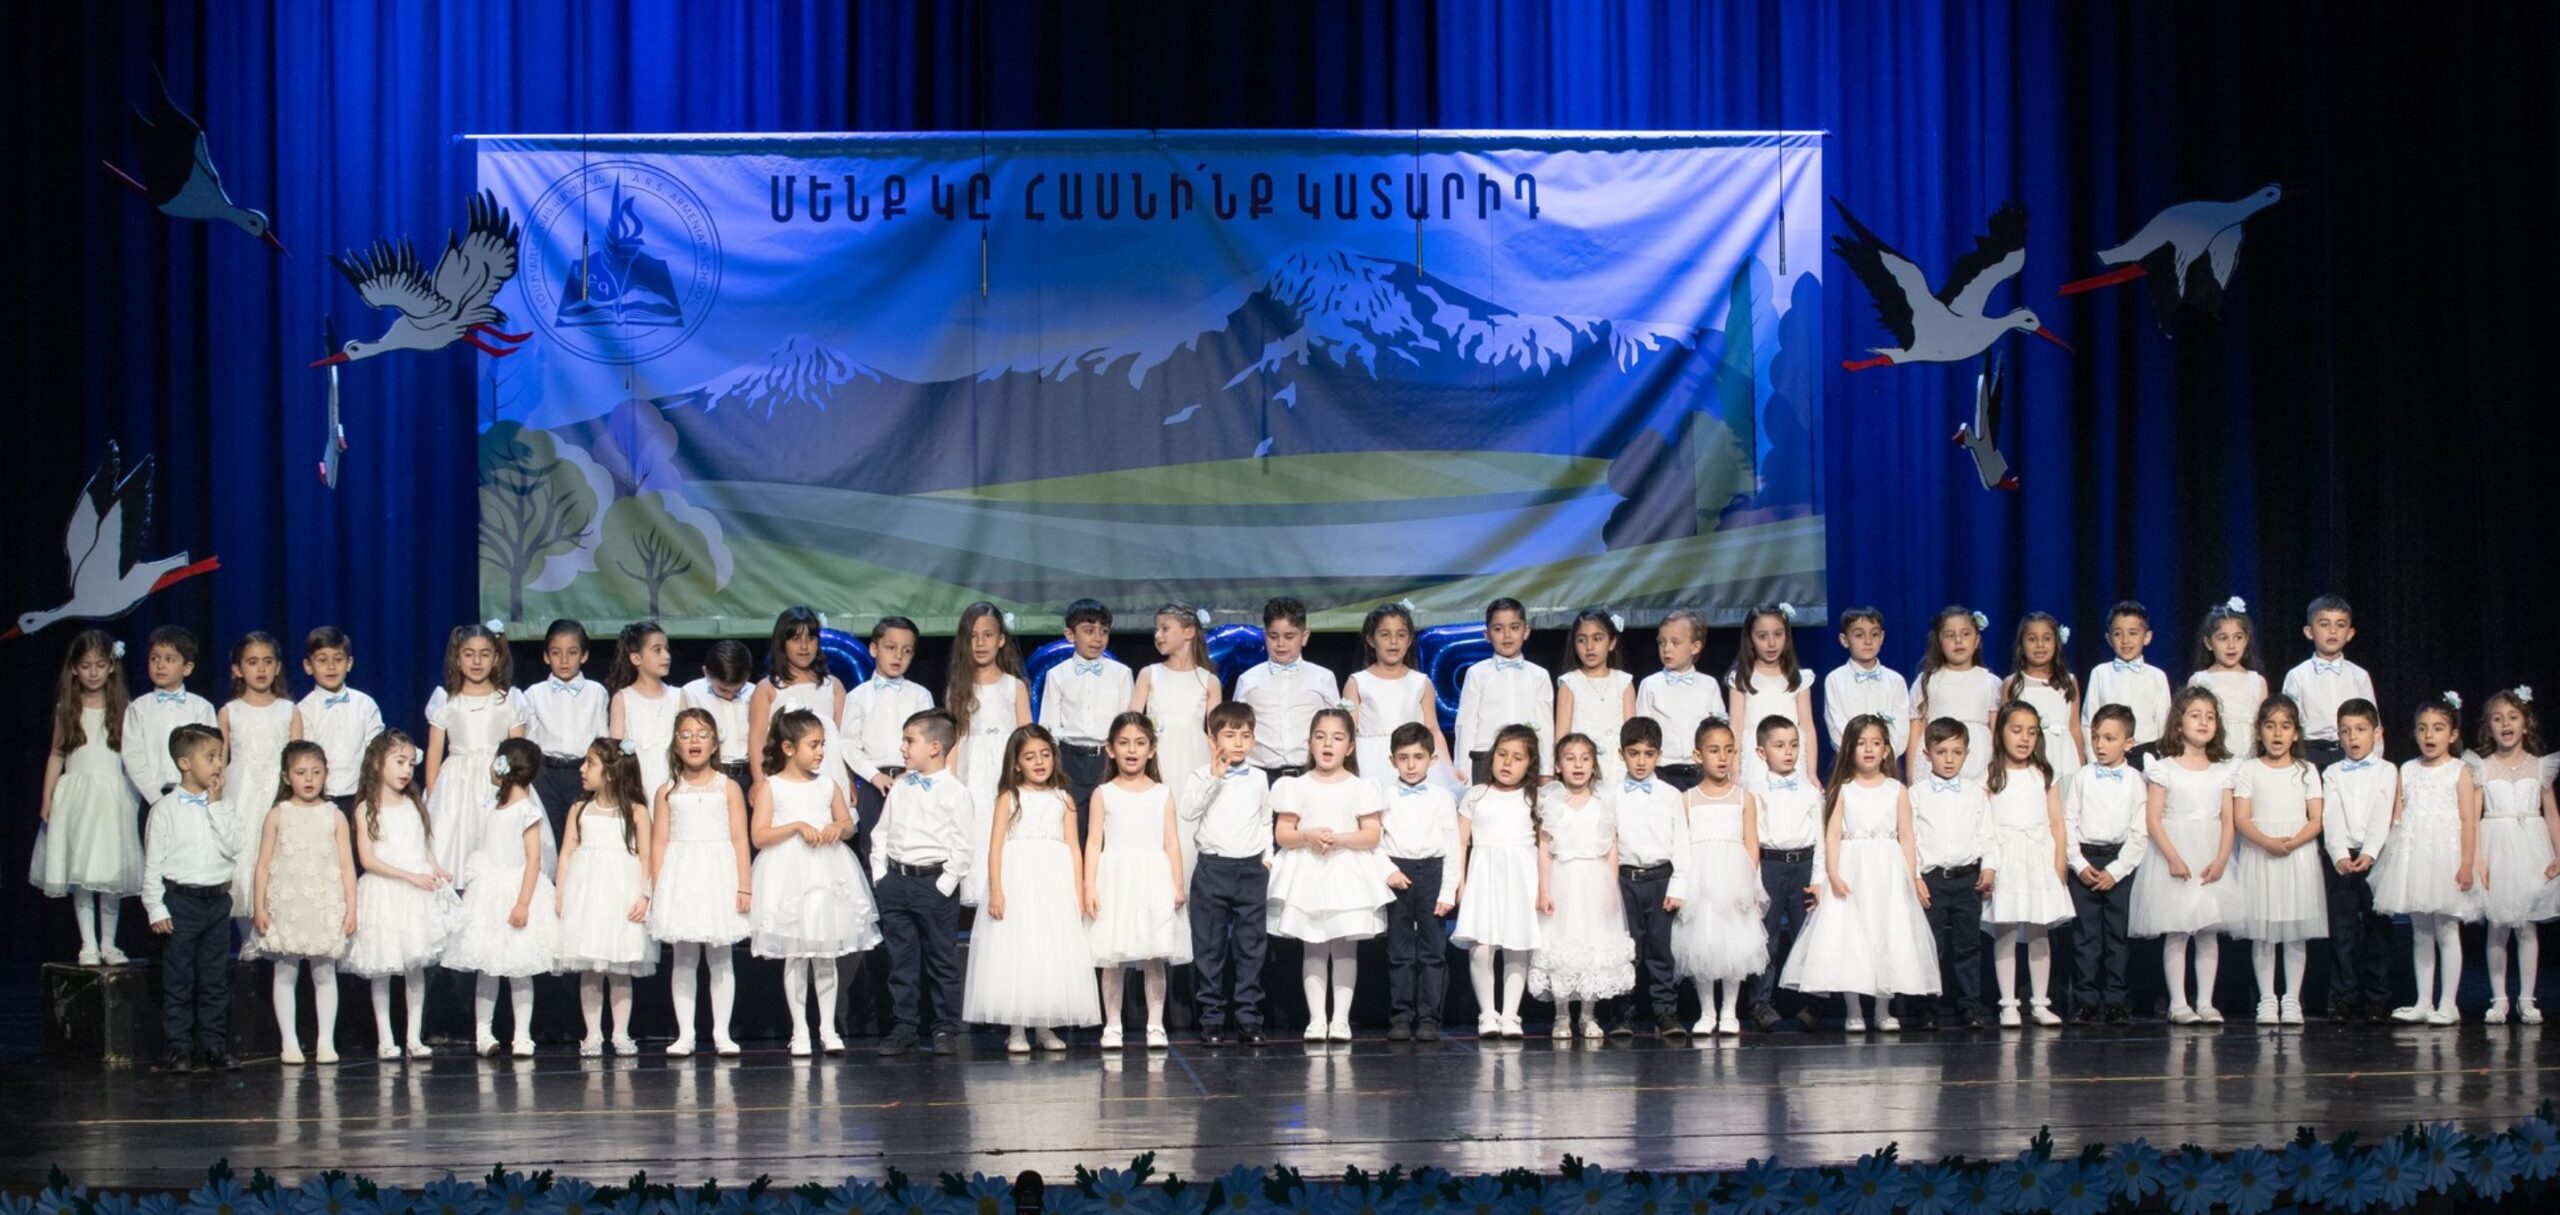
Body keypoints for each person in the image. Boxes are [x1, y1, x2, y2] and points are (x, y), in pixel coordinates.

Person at [1777, 713, 1940, 1032]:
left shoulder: (1897, 790)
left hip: (1888, 871)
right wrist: (1833, 874)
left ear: (1886, 750)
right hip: (1852, 871)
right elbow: (1832, 835)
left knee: (1887, 936)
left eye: (1876, 743)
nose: (1869, 749)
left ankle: (1883, 1010)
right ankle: (1853, 1010)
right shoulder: (1843, 789)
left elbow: (1907, 836)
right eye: (1862, 743)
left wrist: (1912, 876)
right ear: (1849, 748)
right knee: (1852, 939)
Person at [750, 708, 880, 1056]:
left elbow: (848, 824)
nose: (821, 751)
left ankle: (827, 1028)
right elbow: (759, 835)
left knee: (825, 954)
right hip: (789, 876)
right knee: (796, 954)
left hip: (826, 873)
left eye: (823, 744)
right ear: (789, 748)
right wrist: (795, 826)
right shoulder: (772, 786)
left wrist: (839, 827)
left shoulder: (827, 784)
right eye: (814, 745)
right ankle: (800, 1031)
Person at [969, 723, 1103, 1052]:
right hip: (1018, 881)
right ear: (1017, 764)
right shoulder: (1009, 797)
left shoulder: (1064, 799)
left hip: (1054, 883)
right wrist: (996, 889)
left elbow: (1074, 848)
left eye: (1044, 754)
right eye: (1030, 757)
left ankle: (1045, 1027)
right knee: (1019, 948)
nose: (1039, 762)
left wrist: (1079, 891)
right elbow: (995, 846)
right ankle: (1017, 1029)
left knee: (1049, 951)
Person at [1270, 707, 1394, 1042]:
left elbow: (1371, 834)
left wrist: (1338, 839)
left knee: (1343, 947)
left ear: (1350, 746)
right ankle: (1316, 1019)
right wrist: (1307, 836)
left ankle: (1340, 1019)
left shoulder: (1361, 787)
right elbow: (1283, 834)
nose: (1328, 744)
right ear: (1309, 743)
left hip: (1346, 873)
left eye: (1337, 738)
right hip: (1308, 872)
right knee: (1313, 946)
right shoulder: (1295, 785)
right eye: (1321, 737)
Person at [2130, 688, 2241, 1025]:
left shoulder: (2223, 770)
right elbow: (2153, 818)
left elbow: (2228, 820)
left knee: (2207, 930)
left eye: (2210, 716)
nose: (2203, 722)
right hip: (2175, 854)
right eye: (2195, 715)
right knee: (2177, 930)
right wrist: (2173, 858)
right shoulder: (2163, 768)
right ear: (2179, 723)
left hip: (2210, 853)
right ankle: (2178, 1003)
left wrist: (2222, 859)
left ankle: (2205, 1002)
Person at [30, 630, 141, 965]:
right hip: (77, 798)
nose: (93, 672)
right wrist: (47, 797)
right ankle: (88, 944)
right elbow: (56, 755)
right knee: (81, 872)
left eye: (100, 665)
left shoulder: (125, 709)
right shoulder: (67, 707)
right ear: (75, 668)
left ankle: (109, 943)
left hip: (112, 798)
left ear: (112, 667)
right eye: (86, 665)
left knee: (110, 872)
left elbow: (134, 758)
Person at [870, 709, 977, 1057]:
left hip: (933, 883)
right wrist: (881, 875)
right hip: (897, 882)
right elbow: (881, 832)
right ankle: (904, 1027)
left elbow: (963, 845)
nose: (902, 748)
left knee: (941, 959)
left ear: (934, 747)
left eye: (909, 741)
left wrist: (945, 884)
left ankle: (945, 1027)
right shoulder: (902, 786)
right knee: (901, 960)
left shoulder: (954, 791)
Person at [441, 737, 555, 1058]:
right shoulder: (493, 806)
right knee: (487, 968)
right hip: (488, 896)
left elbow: (533, 859)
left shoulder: (526, 810)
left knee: (520, 969)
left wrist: (523, 903)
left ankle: (522, 1035)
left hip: (516, 891)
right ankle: (483, 1033)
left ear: (505, 766)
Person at [2373, 695, 2483, 1025]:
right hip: (2415, 857)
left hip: (2446, 858)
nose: (2429, 735)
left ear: (2452, 733)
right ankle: (2423, 1001)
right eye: (2422, 729)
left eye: (2437, 728)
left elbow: (2468, 820)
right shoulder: (2407, 769)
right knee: (2420, 932)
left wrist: (2467, 863)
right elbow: (2398, 817)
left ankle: (2448, 1003)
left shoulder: (2459, 770)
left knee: (2447, 931)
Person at [649, 709, 753, 1057]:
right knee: (684, 956)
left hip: (717, 874)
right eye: (686, 734)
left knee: (721, 956)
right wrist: (658, 888)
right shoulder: (667, 791)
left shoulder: (729, 787)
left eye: (702, 733)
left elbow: (739, 838)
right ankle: (686, 1035)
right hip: (681, 875)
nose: (694, 740)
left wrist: (744, 885)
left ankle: (722, 1033)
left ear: (714, 744)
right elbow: (659, 842)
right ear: (676, 743)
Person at [343, 731, 451, 1061]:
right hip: (384, 892)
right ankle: (386, 1039)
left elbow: (424, 847)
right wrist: (409, 876)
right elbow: (368, 860)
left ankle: (413, 1037)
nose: (406, 770)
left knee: (415, 966)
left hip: (415, 895)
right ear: (378, 763)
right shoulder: (366, 808)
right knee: (382, 966)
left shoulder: (414, 805)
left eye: (411, 764)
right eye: (400, 762)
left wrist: (436, 870)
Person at [1082, 715, 1187, 1049]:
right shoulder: (1103, 793)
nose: (1132, 750)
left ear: (1151, 749)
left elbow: (1171, 842)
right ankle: (1113, 1024)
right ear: (1110, 749)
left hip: (1153, 879)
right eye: (1124, 743)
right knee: (1112, 957)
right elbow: (1093, 842)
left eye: (1140, 743)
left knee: (1153, 953)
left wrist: (1178, 883)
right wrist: (1088, 886)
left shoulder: (1162, 793)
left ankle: (1155, 1024)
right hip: (1114, 879)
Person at [142, 723, 241, 1072]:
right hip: (180, 903)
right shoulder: (165, 809)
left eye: (220, 756)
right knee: (179, 979)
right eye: (210, 757)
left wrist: (216, 806)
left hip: (217, 901)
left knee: (214, 979)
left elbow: (234, 846)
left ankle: (213, 1044)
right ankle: (179, 1048)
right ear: (185, 763)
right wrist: (155, 907)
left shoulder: (224, 805)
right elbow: (153, 864)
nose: (218, 764)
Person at [250, 740, 356, 1064]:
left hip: (324, 903)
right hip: (287, 903)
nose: (309, 779)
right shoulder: (278, 814)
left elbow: (347, 865)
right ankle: (290, 1042)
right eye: (300, 772)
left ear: (326, 774)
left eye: (316, 772)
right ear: (286, 776)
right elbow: (263, 864)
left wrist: (351, 908)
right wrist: (259, 906)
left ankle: (325, 1042)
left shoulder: (334, 815)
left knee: (324, 972)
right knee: (285, 972)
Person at [556, 738, 657, 1056]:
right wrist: (560, 893)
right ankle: (592, 1034)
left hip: (621, 897)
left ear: (611, 772)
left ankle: (621, 1034)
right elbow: (567, 852)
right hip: (587, 897)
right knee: (590, 968)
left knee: (619, 968)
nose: (582, 769)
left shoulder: (636, 811)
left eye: (590, 763)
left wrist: (645, 895)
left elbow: (646, 857)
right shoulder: (579, 809)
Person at [2230, 696, 2327, 1026]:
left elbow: (2316, 819)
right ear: (2259, 731)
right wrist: (2267, 842)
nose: (2277, 733)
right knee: (2264, 930)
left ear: (2296, 733)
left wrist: (2292, 843)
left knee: (2295, 930)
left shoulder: (2307, 770)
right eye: (2270, 726)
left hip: (2297, 855)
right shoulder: (2248, 769)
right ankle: (2267, 999)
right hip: (2261, 853)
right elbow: (2241, 818)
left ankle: (2292, 999)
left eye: (2285, 726)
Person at [1529, 733, 1633, 1040]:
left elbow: (1611, 848)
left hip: (1595, 880)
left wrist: (1611, 890)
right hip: (1563, 879)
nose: (1578, 765)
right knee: (1562, 946)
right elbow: (1544, 849)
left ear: (1594, 765)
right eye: (1570, 759)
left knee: (1592, 947)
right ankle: (1561, 1016)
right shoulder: (1551, 801)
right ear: (1558, 766)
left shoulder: (1603, 801)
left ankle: (1588, 1015)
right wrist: (1544, 890)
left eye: (1585, 759)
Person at [1184, 701, 1274, 1046]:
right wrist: (1214, 777)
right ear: (1212, 738)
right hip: (1213, 868)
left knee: (1251, 947)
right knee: (1210, 947)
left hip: (1250, 869)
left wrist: (1267, 858)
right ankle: (1211, 1018)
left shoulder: (1259, 777)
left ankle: (1249, 1017)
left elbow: (1265, 819)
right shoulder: (1200, 775)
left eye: (1245, 736)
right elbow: (1189, 811)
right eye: (1230, 735)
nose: (1238, 743)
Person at [2472, 687, 2560, 1025]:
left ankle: (2527, 999)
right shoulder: (2481, 767)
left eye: (2512, 717)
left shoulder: (2540, 767)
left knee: (2526, 926)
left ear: (2526, 723)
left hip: (2530, 849)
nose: (2505, 724)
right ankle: (2499, 999)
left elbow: (2552, 814)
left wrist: (2558, 853)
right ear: (2489, 727)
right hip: (2495, 846)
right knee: (2497, 926)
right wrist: (2478, 859)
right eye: (2497, 719)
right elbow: (2474, 817)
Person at [1674, 719, 1767, 1036]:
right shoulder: (1687, 799)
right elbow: (1682, 845)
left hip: (1733, 880)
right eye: (1714, 750)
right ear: (1698, 755)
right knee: (1703, 944)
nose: (1723, 757)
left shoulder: (1744, 798)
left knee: (1734, 945)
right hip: (1699, 882)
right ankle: (1707, 1011)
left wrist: (1748, 883)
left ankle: (1729, 1010)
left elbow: (1751, 844)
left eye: (1729, 750)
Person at [1981, 702, 2071, 1027]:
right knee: (2005, 929)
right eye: (2016, 730)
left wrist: (2059, 863)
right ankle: (2008, 1003)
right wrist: (1989, 865)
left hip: (2038, 857)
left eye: (2031, 732)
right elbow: (1985, 826)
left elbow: (2057, 822)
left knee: (2038, 929)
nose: (2024, 738)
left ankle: (2040, 1002)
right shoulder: (1989, 775)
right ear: (2001, 733)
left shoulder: (2044, 774)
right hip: (2006, 858)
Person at [1452, 724, 1545, 1037]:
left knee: (1517, 946)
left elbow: (1544, 846)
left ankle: (1510, 1015)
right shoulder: (1476, 795)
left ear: (1529, 764)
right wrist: (1460, 882)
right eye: (1502, 754)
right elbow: (1460, 842)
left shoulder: (1534, 798)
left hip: (1521, 878)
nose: (1507, 763)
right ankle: (1488, 1014)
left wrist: (1543, 888)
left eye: (1517, 758)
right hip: (1483, 876)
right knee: (1480, 948)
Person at [422, 622, 528, 881]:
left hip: (497, 782)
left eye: (485, 654)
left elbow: (519, 754)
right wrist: (434, 799)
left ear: (496, 658)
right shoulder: (446, 700)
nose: (477, 661)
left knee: (497, 847)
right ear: (457, 659)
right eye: (469, 654)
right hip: (454, 786)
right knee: (451, 844)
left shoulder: (510, 700)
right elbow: (434, 752)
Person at [2063, 706, 2149, 1023]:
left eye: (2109, 738)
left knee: (2117, 937)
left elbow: (2140, 832)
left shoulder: (2136, 781)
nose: (2100, 745)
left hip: (2119, 864)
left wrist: (2116, 871)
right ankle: (2085, 1000)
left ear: (2129, 743)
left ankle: (2116, 1000)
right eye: (2096, 737)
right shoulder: (2082, 777)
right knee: (2085, 937)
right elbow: (2068, 822)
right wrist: (2077, 863)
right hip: (2085, 862)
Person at [1908, 718, 1993, 1029]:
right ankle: (1927, 1007)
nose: (1949, 759)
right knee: (1931, 945)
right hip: (1932, 880)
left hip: (1967, 879)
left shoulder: (1975, 792)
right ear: (1927, 753)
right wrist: (1916, 876)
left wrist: (1989, 866)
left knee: (1968, 945)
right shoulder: (1916, 794)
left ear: (1966, 754)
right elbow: (1911, 840)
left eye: (1956, 752)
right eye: (1941, 752)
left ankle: (1969, 1005)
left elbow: (1987, 833)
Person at [218, 631, 301, 948]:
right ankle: (248, 938)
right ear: (237, 669)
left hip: (278, 792)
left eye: (268, 662)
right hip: (242, 793)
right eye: (252, 662)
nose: (261, 669)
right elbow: (219, 760)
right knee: (245, 857)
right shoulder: (230, 711)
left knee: (277, 857)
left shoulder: (288, 710)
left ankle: (275, 933)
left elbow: (298, 756)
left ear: (278, 667)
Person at [2318, 698, 2398, 1022]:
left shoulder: (2387, 770)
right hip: (2343, 858)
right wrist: (2339, 854)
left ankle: (2378, 998)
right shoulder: (2332, 772)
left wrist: (2370, 852)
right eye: (2345, 731)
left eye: (2361, 729)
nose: (2353, 737)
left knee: (2378, 930)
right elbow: (2331, 815)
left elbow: (2383, 811)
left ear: (2377, 733)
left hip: (2376, 856)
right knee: (2343, 931)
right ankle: (2343, 997)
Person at [1378, 722, 1458, 1041]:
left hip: (1432, 872)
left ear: (1432, 760)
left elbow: (1452, 845)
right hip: (1397, 872)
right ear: (1392, 761)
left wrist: (1448, 890)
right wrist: (1388, 871)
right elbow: (1375, 842)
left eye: (1418, 757)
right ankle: (1400, 1016)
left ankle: (1428, 1018)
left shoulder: (1442, 798)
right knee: (1398, 951)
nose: (1411, 765)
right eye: (1403, 758)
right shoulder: (1384, 797)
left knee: (1432, 951)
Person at [943, 602, 1027, 906]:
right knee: (976, 831)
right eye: (973, 636)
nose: (980, 643)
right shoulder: (958, 688)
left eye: (988, 635)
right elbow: (954, 742)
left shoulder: (1014, 686)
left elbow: (1026, 739)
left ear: (1001, 639)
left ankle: (1006, 892)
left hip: (1005, 772)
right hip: (972, 776)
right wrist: (949, 784)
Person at [1745, 717, 1826, 1031]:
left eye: (1794, 745)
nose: (1789, 752)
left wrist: (1817, 879)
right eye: (1779, 746)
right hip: (1770, 865)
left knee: (1808, 935)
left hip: (1803, 865)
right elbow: (1751, 839)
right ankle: (1761, 1002)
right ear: (1761, 752)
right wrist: (1754, 882)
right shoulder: (1754, 792)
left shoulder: (1810, 791)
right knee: (1766, 937)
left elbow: (1820, 838)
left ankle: (1812, 1003)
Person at [1611, 717, 1690, 1037]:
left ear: (1659, 755)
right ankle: (1622, 1013)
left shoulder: (1671, 795)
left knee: (1661, 950)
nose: (1641, 761)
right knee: (1626, 950)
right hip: (1625, 880)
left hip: (1661, 880)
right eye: (1634, 753)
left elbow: (1681, 842)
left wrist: (1679, 885)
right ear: (1621, 754)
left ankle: (1665, 1012)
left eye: (1648, 754)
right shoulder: (1611, 794)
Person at [1133, 603, 1225, 872]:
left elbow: (1216, 734)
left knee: (1189, 825)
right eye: (1156, 630)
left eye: (1165, 628)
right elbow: (1131, 724)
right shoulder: (1149, 674)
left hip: (1194, 763)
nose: (1158, 635)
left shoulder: (1208, 681)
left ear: (1188, 632)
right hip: (1158, 761)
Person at [839, 618, 933, 857]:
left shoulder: (920, 695)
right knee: (873, 850)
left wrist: (909, 773)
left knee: (914, 848)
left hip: (913, 779)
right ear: (874, 649)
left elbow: (929, 740)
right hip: (874, 785)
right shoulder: (858, 696)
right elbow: (848, 744)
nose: (898, 656)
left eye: (907, 651)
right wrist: (874, 776)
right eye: (891, 647)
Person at [1039, 598, 1133, 818]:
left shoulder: (1121, 674)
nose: (1098, 638)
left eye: (1104, 631)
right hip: (1070, 759)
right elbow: (1048, 726)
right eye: (1089, 631)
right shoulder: (1057, 675)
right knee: (1073, 821)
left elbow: (1128, 724)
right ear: (1070, 634)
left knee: (1109, 821)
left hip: (1108, 759)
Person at [749, 606, 852, 807]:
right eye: (795, 639)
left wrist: (847, 779)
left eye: (810, 638)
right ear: (782, 643)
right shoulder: (767, 688)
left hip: (829, 776)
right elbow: (757, 739)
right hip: (784, 778)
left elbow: (842, 739)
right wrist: (759, 781)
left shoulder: (834, 686)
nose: (804, 646)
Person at [1345, 602, 1448, 792]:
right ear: (1371, 639)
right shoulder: (1358, 682)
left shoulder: (1421, 682)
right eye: (1385, 635)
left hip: (1411, 756)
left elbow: (1433, 730)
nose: (1393, 641)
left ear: (1409, 641)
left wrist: (1449, 768)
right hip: (1369, 762)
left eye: (1401, 635)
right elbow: (1347, 731)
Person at [1235, 597, 1337, 784]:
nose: (1280, 644)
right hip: (1260, 776)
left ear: (1304, 636)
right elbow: (1236, 728)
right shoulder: (1248, 679)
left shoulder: (1323, 677)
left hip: (1310, 775)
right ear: (1265, 635)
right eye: (1273, 636)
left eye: (1289, 636)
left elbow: (1336, 728)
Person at [522, 620, 608, 835]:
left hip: (583, 772)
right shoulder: (534, 693)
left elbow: (602, 736)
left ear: (584, 655)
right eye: (556, 653)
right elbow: (530, 739)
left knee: (582, 831)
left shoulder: (596, 692)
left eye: (572, 652)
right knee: (549, 833)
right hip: (545, 774)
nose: (564, 660)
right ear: (546, 656)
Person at [122, 626, 216, 802]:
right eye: (154, 658)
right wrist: (155, 798)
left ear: (187, 668)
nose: (160, 665)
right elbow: (133, 756)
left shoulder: (201, 708)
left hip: (192, 796)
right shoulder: (139, 708)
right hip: (150, 796)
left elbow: (208, 752)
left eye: (169, 659)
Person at [296, 627, 384, 816]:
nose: (331, 666)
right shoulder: (303, 710)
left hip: (360, 798)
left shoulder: (365, 705)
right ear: (308, 666)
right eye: (322, 660)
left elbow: (376, 752)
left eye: (338, 659)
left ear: (349, 663)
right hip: (318, 799)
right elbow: (304, 757)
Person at [1908, 607, 2001, 783]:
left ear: (1976, 640)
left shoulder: (1990, 682)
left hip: (1979, 765)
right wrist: (1911, 774)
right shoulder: (1928, 680)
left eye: (1965, 634)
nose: (1958, 640)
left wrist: (1998, 768)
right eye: (1950, 635)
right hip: (1937, 759)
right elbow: (1917, 728)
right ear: (1940, 642)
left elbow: (1997, 731)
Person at [2283, 594, 2375, 771]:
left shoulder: (2359, 675)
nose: (2333, 631)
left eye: (2340, 625)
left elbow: (2372, 721)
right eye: (2324, 624)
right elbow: (2289, 722)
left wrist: (2373, 760)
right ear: (2309, 632)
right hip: (2310, 755)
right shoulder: (2297, 675)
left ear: (2349, 633)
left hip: (2350, 753)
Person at [1728, 604, 1814, 788]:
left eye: (1778, 634)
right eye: (1762, 636)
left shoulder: (1799, 678)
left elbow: (1807, 728)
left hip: (1791, 756)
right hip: (1755, 759)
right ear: (1750, 639)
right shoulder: (1741, 678)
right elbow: (1736, 727)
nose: (1771, 643)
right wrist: (1734, 770)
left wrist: (1812, 773)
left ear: (1786, 636)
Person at [1642, 608, 1723, 792]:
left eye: (1675, 642)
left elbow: (1717, 729)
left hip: (1700, 770)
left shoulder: (1709, 685)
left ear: (1695, 647)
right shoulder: (1650, 685)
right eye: (1662, 642)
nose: (1666, 649)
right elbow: (1643, 732)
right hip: (1663, 770)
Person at [607, 620, 682, 814]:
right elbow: (617, 750)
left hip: (673, 783)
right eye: (657, 650)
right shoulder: (623, 698)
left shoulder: (678, 696)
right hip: (638, 785)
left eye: (667, 649)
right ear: (636, 658)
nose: (666, 656)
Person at [2085, 602, 2172, 764]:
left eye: (2133, 633)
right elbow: (2089, 720)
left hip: (2146, 754)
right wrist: (2093, 759)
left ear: (2147, 637)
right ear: (2109, 639)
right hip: (2108, 752)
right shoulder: (2100, 673)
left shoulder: (2157, 677)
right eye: (2118, 634)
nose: (2125, 640)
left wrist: (2163, 761)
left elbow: (2164, 724)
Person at [1557, 610, 1635, 785]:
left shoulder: (1624, 682)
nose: (1589, 646)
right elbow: (1562, 736)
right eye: (1582, 640)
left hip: (1618, 767)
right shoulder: (1570, 683)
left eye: (1597, 639)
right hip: (1581, 768)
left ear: (1611, 643)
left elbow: (1631, 734)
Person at [1823, 607, 1910, 763]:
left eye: (1874, 634)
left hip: (1886, 763)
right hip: (1849, 763)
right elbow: (1836, 725)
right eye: (1859, 635)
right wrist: (1856, 754)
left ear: (1882, 637)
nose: (1868, 641)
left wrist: (1884, 755)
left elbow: (1901, 727)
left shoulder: (1896, 681)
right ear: (1844, 640)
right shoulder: (1835, 680)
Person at [2002, 613, 2083, 779]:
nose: (2040, 645)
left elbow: (2074, 726)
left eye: (2046, 639)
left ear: (2056, 643)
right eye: (2032, 639)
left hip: (2064, 758)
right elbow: (2004, 729)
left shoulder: (2069, 681)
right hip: (2027, 757)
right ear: (2021, 644)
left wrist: (2082, 765)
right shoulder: (2012, 683)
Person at [2190, 598, 2270, 761]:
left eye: (2238, 637)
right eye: (2223, 638)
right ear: (2208, 643)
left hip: (2249, 758)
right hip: (2212, 758)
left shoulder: (2257, 681)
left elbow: (2263, 724)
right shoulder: (2199, 680)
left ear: (2246, 640)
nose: (2231, 645)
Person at [683, 639, 757, 789]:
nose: (730, 696)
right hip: (710, 773)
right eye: (723, 689)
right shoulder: (692, 693)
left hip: (748, 775)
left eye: (737, 690)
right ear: (706, 673)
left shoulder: (754, 692)